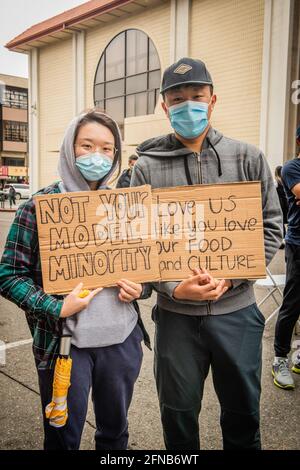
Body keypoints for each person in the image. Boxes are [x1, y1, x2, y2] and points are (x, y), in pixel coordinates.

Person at [131, 57, 282, 450]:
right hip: (177, 319)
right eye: (177, 99)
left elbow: (270, 226)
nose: (188, 106)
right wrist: (170, 287)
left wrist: (232, 276)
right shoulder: (146, 166)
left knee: (243, 413)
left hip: (238, 312)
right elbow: (137, 241)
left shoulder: (248, 157)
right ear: (165, 107)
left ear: (213, 100)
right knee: (178, 417)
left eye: (196, 96)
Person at [0, 109, 150, 450]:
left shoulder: (125, 206)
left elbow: (147, 267)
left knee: (115, 434)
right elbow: (9, 275)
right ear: (70, 148)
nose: (97, 156)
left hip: (121, 342)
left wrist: (141, 287)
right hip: (65, 346)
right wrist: (56, 306)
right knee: (62, 436)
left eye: (107, 149)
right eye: (87, 146)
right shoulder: (39, 206)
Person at [272, 125, 300, 390]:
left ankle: (299, 353)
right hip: (298, 245)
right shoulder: (292, 167)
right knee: (292, 304)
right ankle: (280, 357)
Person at [275, 165, 288, 247]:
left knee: (280, 221)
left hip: (279, 203)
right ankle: (284, 238)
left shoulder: (276, 182)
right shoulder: (284, 181)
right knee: (283, 221)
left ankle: (282, 239)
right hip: (285, 202)